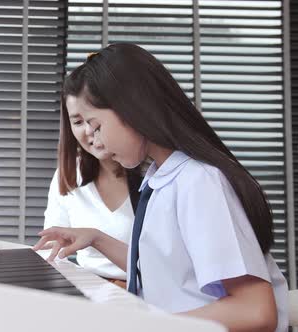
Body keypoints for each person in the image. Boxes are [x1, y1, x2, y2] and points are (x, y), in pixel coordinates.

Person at [33, 43, 288, 332]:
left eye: (97, 126)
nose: (95, 141)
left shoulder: (198, 181)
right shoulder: (161, 178)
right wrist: (96, 238)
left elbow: (255, 312)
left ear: (133, 110)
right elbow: (162, 269)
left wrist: (142, 325)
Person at [43, 86, 143, 287]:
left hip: (146, 293)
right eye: (78, 122)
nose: (90, 131)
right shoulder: (70, 173)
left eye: (94, 120)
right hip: (90, 291)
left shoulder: (154, 173)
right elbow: (51, 251)